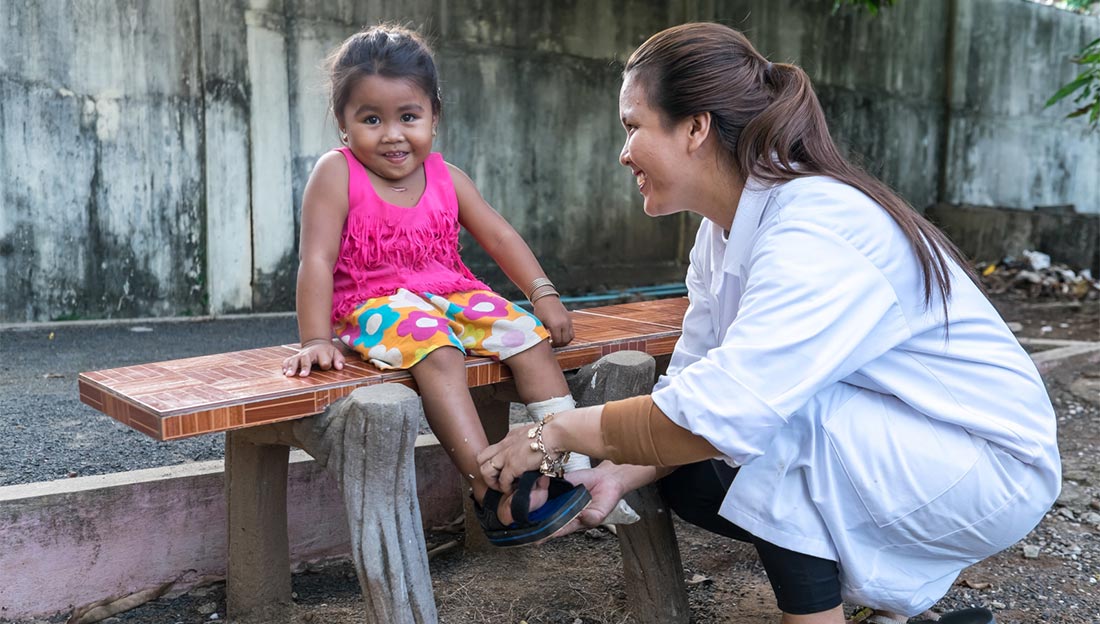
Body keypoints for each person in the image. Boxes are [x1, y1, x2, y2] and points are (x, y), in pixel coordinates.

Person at [478, 22, 1060, 623]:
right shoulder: (720, 230)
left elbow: (728, 409)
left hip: (985, 467)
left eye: (632, 127)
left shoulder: (815, 224)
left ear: (696, 127)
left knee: (771, 424)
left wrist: (551, 434)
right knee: (692, 476)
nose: (624, 152)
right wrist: (614, 475)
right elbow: (691, 393)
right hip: (901, 445)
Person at [280, 24, 636, 547]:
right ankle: (489, 485)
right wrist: (315, 337)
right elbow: (316, 258)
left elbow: (499, 235)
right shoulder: (337, 174)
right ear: (343, 123)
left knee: (529, 338)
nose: (393, 134)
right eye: (371, 119)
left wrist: (543, 294)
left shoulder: (447, 176)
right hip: (374, 301)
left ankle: (569, 470)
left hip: (450, 291)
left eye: (408, 117)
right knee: (438, 349)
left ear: (434, 116)